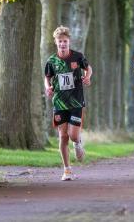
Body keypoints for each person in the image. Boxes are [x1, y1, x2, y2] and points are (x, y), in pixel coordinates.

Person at [44, 26, 93, 181]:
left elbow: (88, 68)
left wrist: (87, 77)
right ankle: (67, 170)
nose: (63, 44)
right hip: (59, 102)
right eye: (60, 41)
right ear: (56, 42)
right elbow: (47, 77)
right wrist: (48, 87)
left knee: (72, 135)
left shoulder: (77, 57)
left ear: (69, 42)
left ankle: (77, 143)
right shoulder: (51, 61)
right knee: (63, 136)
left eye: (65, 41)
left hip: (76, 100)